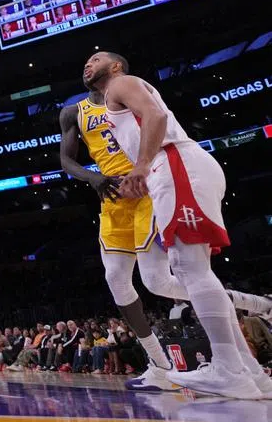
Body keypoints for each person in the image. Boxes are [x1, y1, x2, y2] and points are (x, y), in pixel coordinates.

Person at [60, 78, 272, 392]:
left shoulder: (126, 91)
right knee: (119, 280)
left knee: (166, 277)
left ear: (115, 67)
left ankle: (249, 319)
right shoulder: (73, 112)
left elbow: (156, 120)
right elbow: (65, 160)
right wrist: (92, 177)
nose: (88, 65)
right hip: (112, 200)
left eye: (96, 58)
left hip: (145, 188)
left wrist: (143, 166)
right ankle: (160, 365)